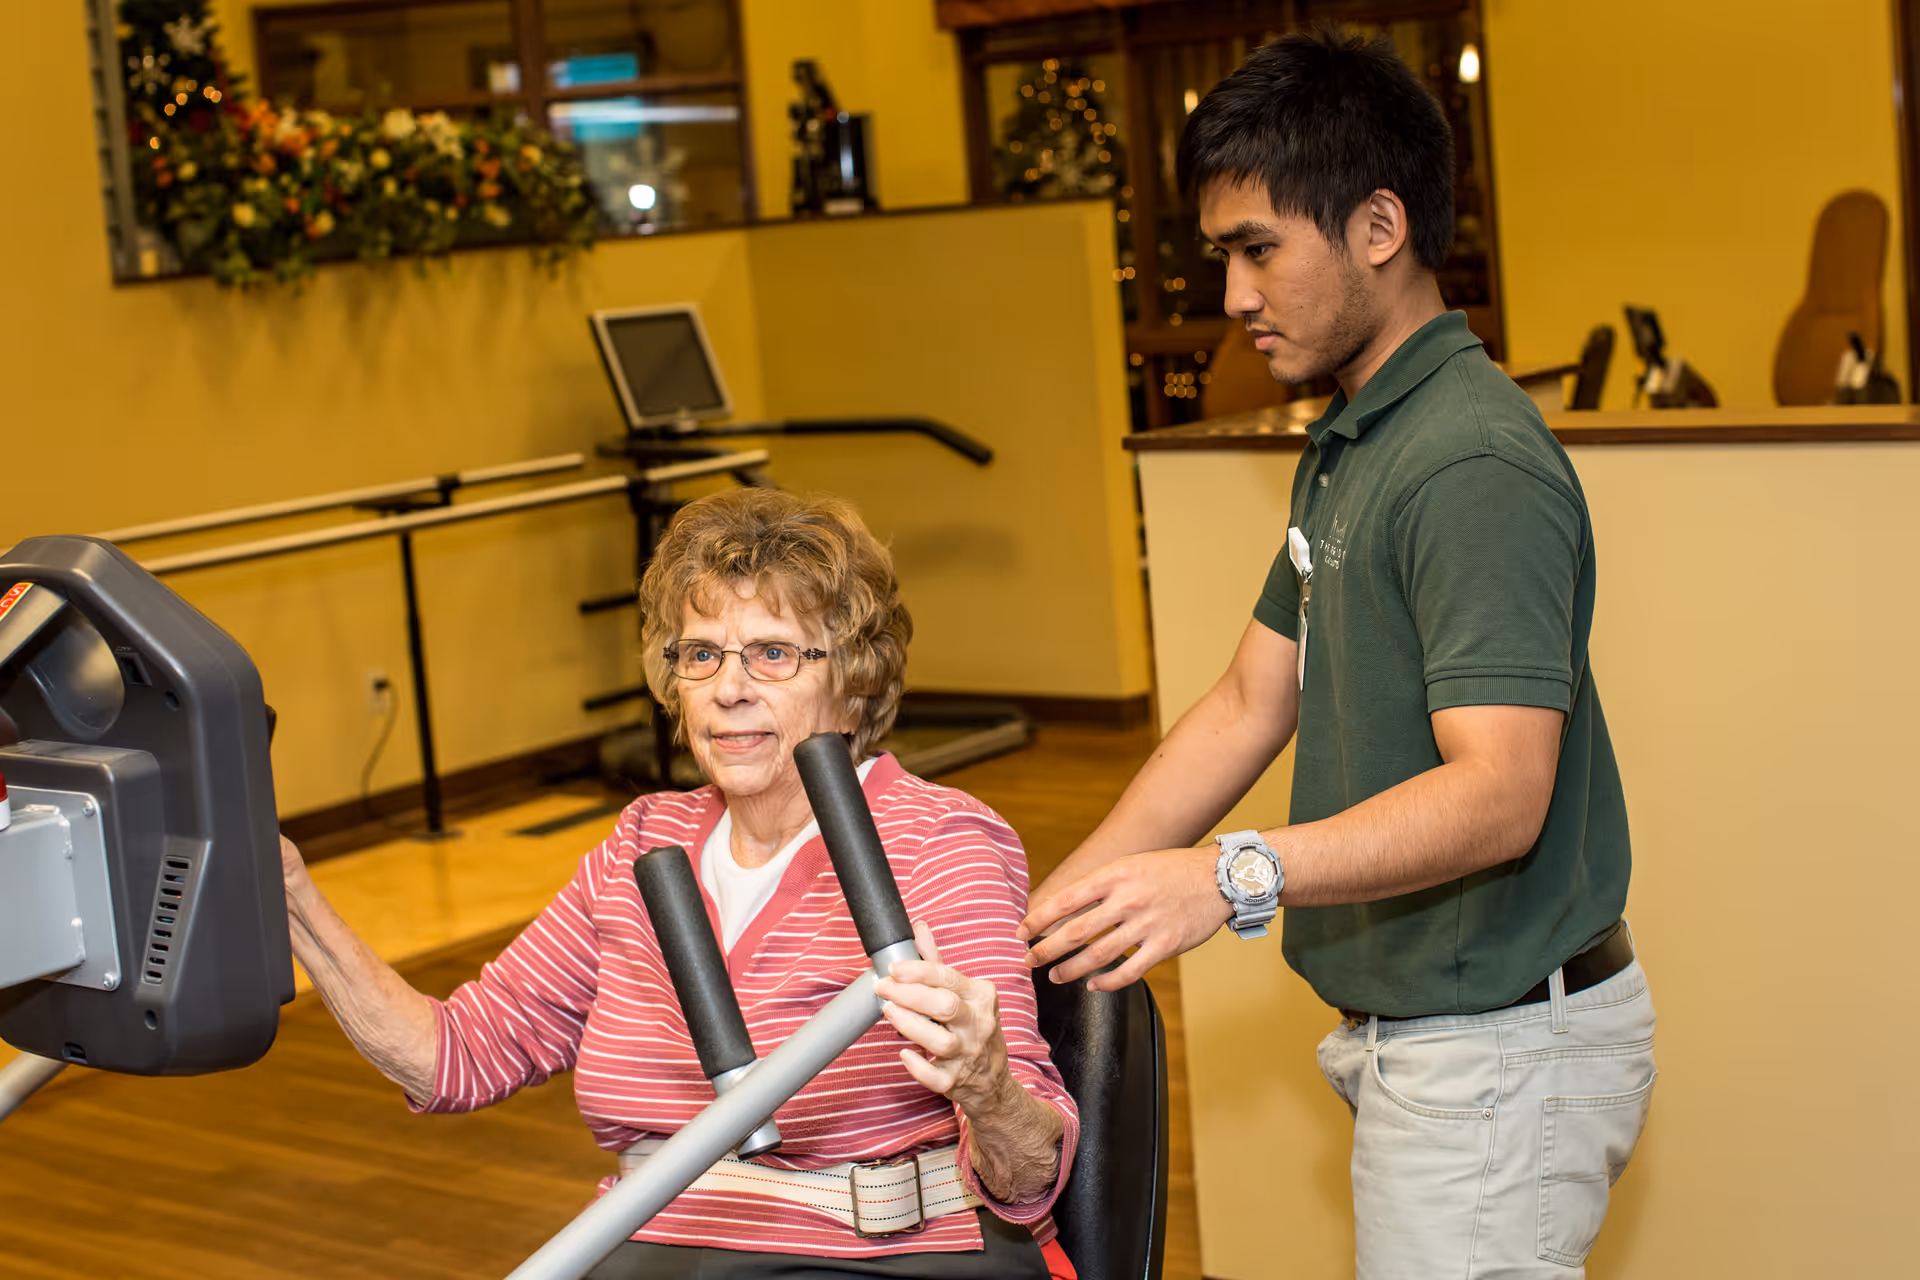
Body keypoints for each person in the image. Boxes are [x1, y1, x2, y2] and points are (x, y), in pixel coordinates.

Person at [1021, 27, 1654, 1279]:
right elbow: (1253, 700)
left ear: (1379, 226)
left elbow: (1501, 792)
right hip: (1423, 1040)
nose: (1234, 297)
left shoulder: (1469, 461)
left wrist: (1229, 877)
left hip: (1497, 1055)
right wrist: (1053, 916)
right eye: (1222, 258)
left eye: (1259, 250)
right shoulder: (1356, 440)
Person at [281, 488, 1078, 1279]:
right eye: (702, 654)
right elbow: (454, 1054)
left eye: (773, 652)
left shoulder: (937, 842)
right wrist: (294, 901)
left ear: (857, 679)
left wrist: (987, 1084)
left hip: (878, 1256)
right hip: (660, 1245)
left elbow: (1028, 1173)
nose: (729, 688)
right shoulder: (641, 844)